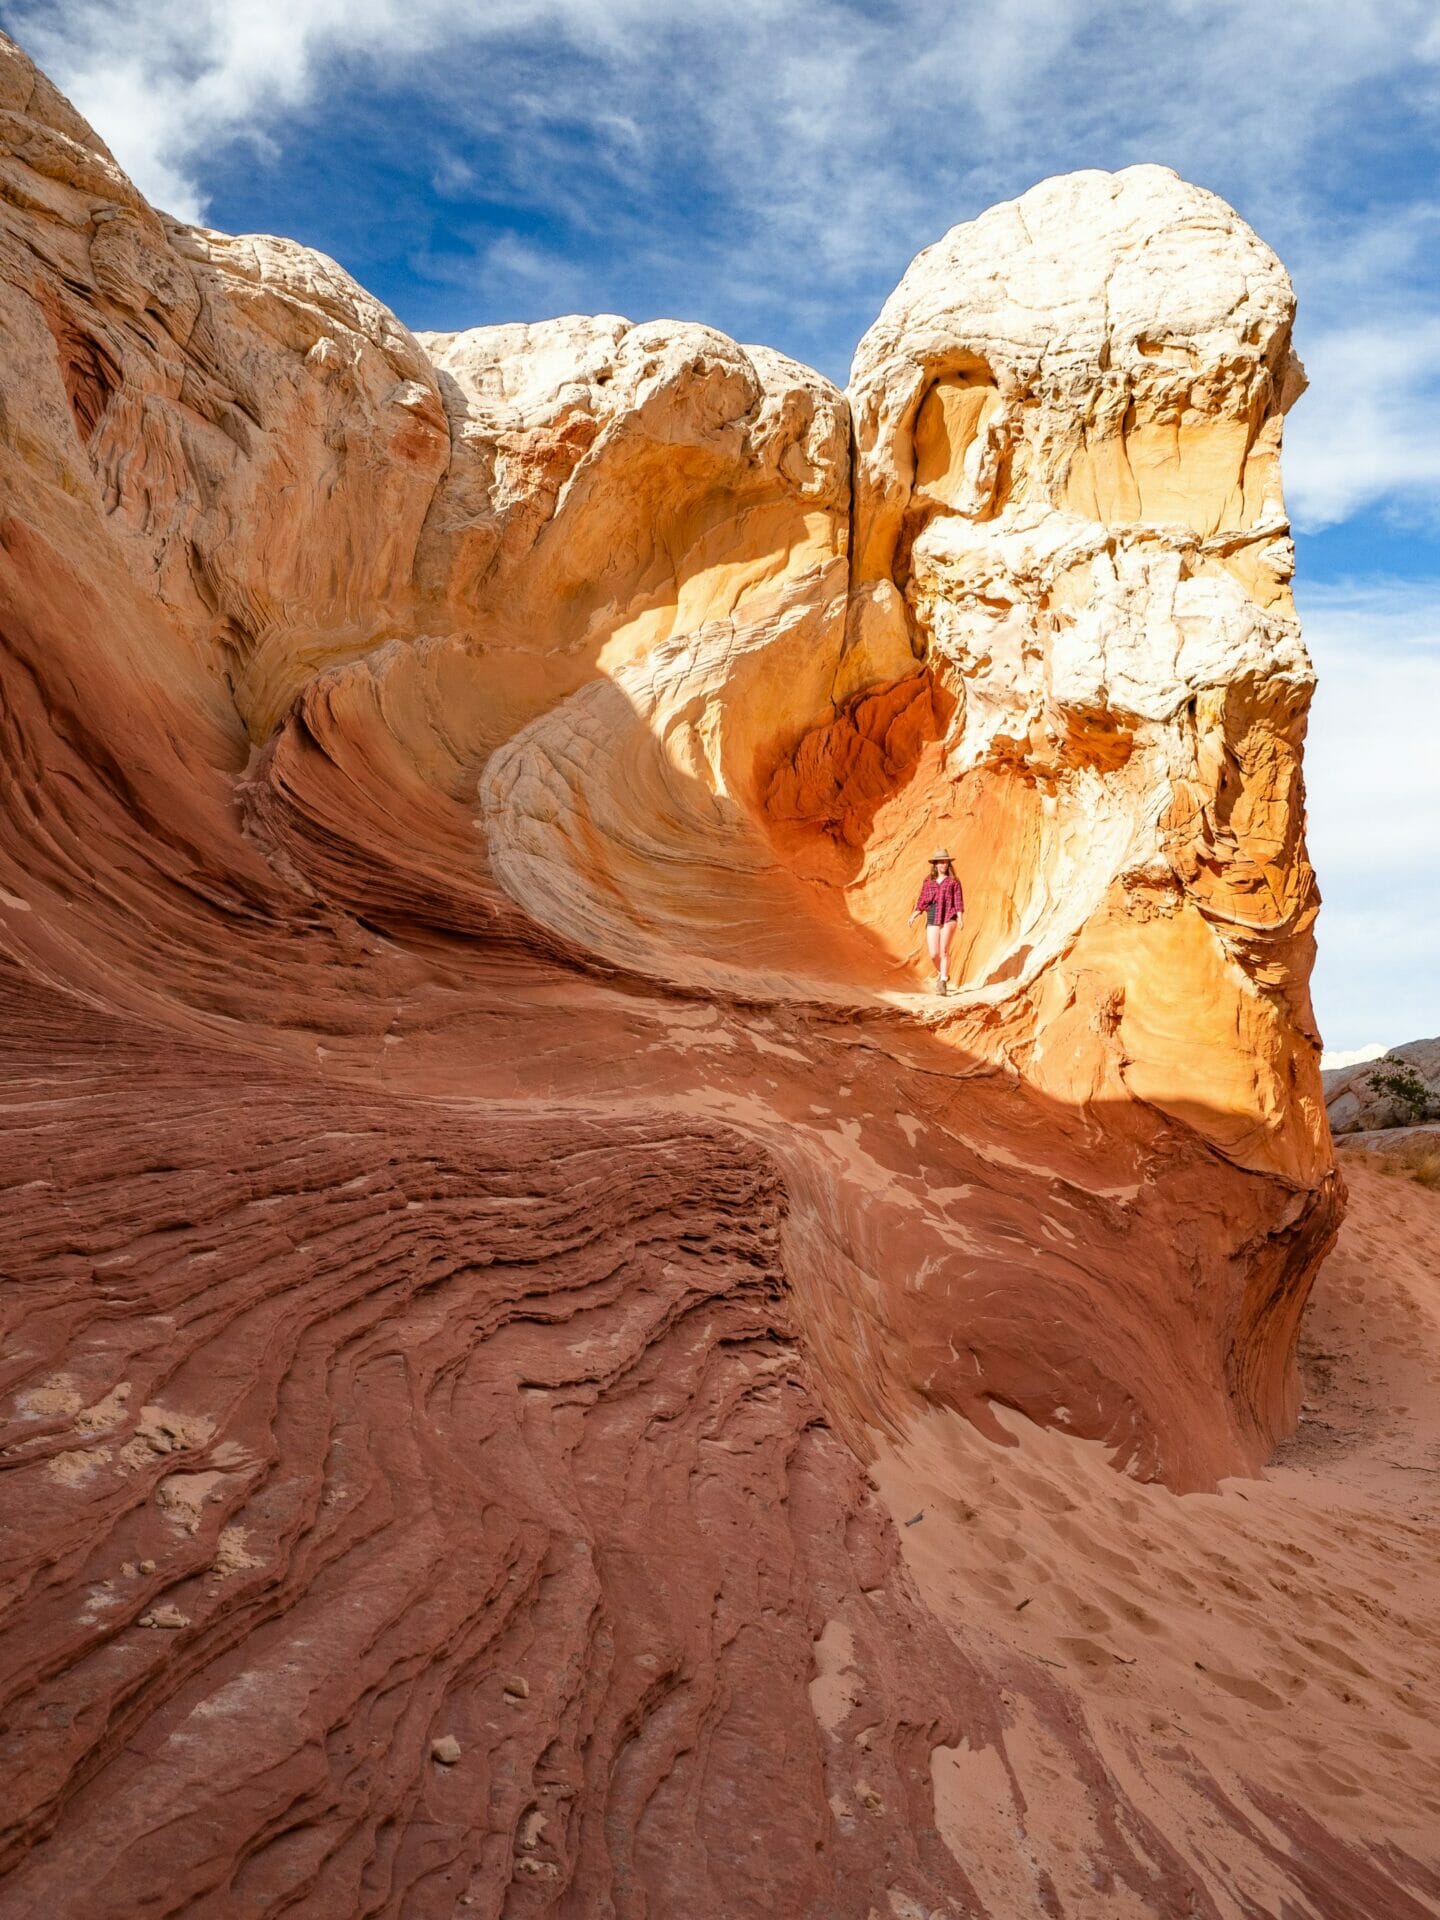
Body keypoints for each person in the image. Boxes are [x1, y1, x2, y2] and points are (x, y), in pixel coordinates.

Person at [908, 848, 964, 996]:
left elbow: (958, 901)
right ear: (935, 864)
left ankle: (943, 981)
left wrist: (960, 918)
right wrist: (915, 914)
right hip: (933, 915)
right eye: (940, 862)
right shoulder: (928, 881)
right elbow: (922, 900)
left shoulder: (954, 881)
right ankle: (943, 973)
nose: (943, 865)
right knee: (934, 953)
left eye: (945, 862)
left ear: (948, 864)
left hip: (949, 916)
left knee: (944, 950)